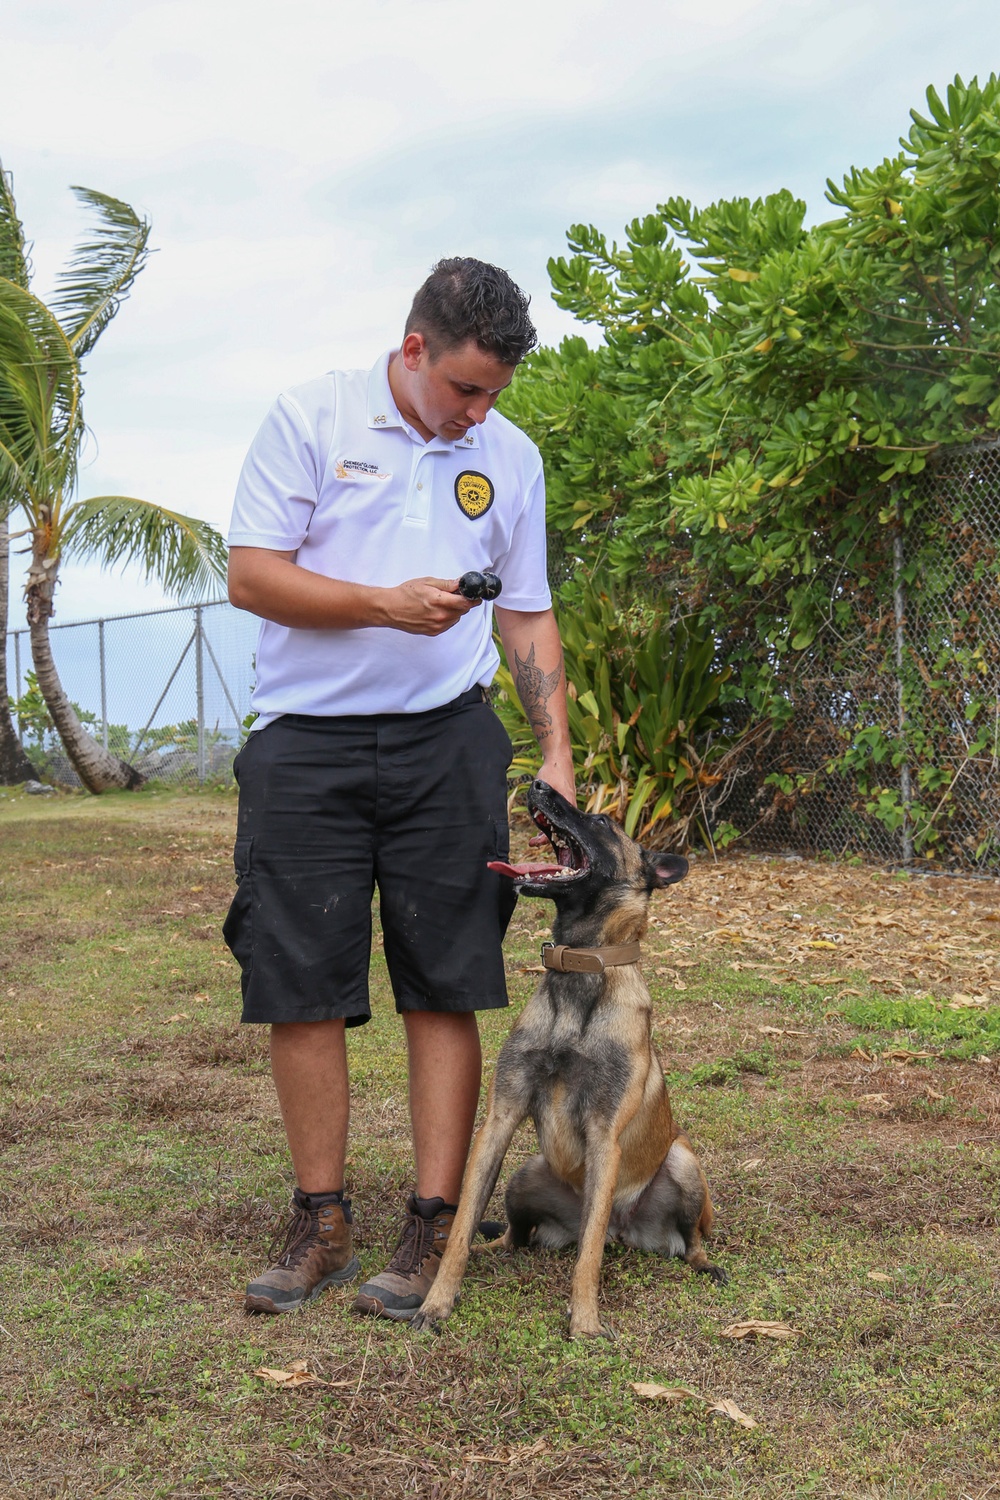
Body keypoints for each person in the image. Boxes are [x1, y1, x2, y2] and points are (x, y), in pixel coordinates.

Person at [223, 257, 575, 1321]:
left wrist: (553, 747)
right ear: (413, 347)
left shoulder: (507, 457)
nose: (478, 411)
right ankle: (319, 1219)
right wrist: (381, 605)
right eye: (464, 387)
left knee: (446, 979)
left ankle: (432, 1223)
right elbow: (251, 574)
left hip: (448, 746)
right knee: (301, 981)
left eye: (495, 394)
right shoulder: (311, 417)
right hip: (307, 747)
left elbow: (524, 613)